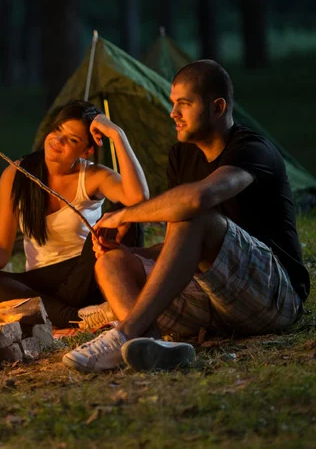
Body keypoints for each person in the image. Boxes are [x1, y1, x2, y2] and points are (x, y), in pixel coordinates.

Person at [63, 60, 310, 373]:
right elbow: (178, 247)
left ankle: (124, 334)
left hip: (273, 298)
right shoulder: (181, 157)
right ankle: (151, 346)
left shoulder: (252, 149)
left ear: (217, 107)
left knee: (194, 212)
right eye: (173, 104)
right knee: (111, 262)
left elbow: (199, 200)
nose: (173, 114)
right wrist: (131, 253)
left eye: (184, 104)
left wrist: (124, 215)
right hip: (211, 300)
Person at [0, 100, 149, 328]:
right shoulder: (16, 174)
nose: (58, 141)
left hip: (89, 274)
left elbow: (139, 198)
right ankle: (78, 318)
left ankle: (59, 315)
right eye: (57, 130)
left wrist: (117, 134)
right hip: (42, 284)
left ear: (87, 150)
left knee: (128, 217)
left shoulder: (93, 176)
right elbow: (1, 248)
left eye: (72, 139)